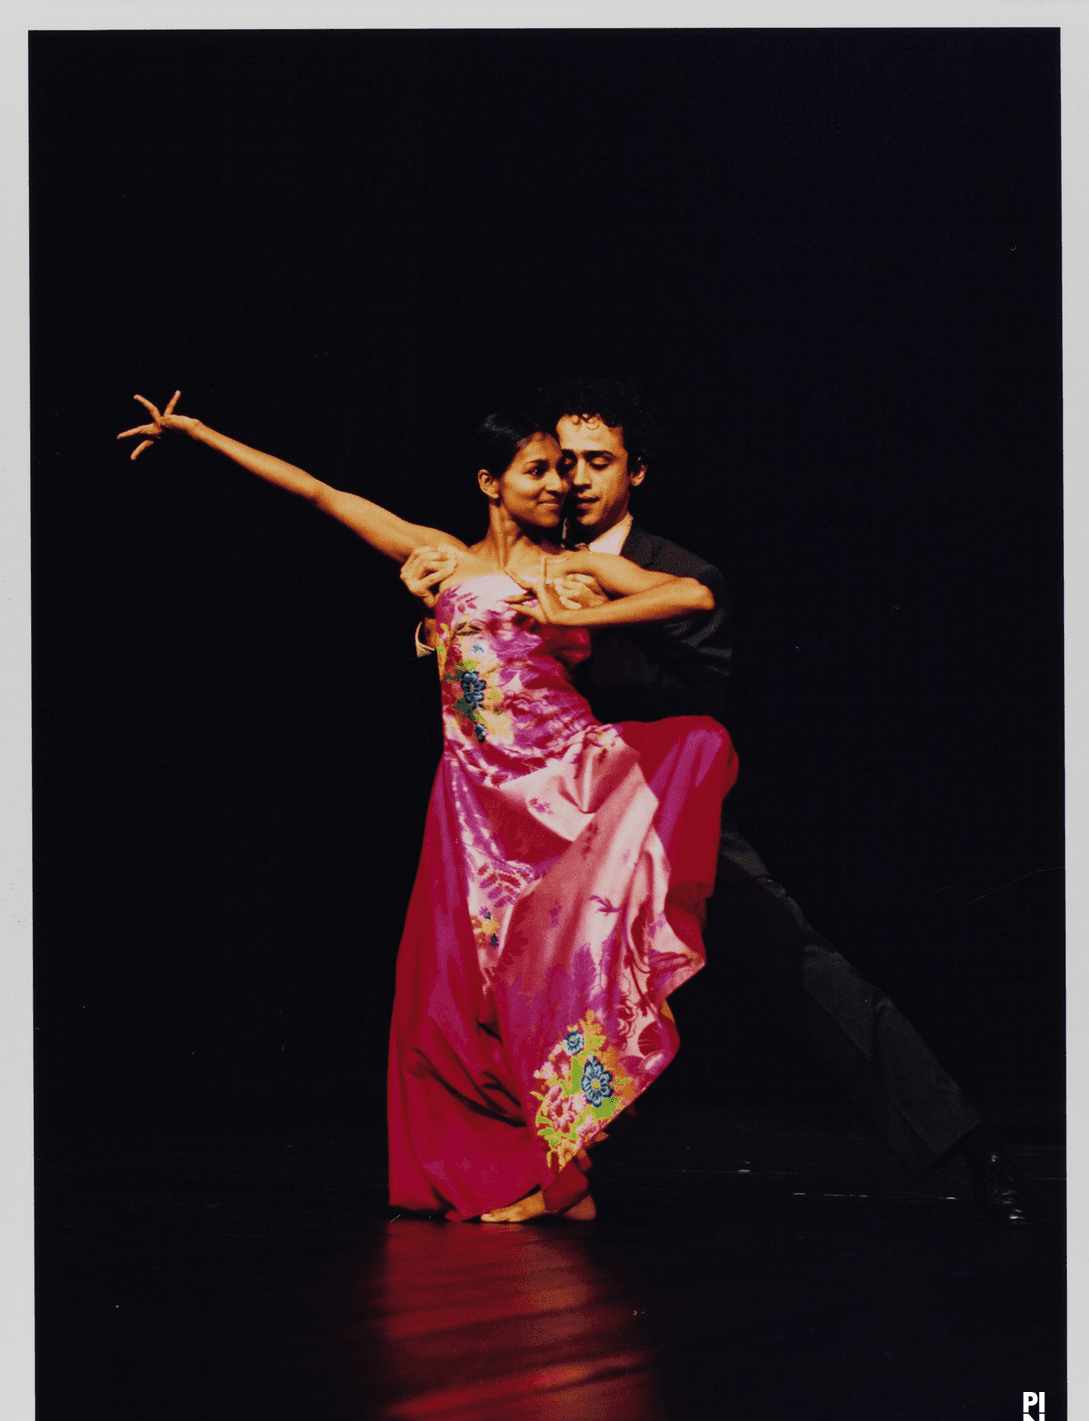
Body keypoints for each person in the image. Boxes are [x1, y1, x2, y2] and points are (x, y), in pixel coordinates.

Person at [402, 377, 1033, 1224]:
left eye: (599, 463)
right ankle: (539, 1175)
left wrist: (581, 623)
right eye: (563, 462)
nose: (575, 481)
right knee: (502, 981)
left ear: (636, 473)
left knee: (804, 967)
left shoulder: (668, 569)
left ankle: (972, 1150)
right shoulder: (507, 562)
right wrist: (450, 604)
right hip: (551, 824)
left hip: (656, 810)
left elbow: (701, 690)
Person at [117, 393, 737, 1223]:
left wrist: (568, 608)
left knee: (561, 975)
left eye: (564, 470)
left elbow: (691, 598)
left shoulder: (572, 568)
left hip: (562, 783)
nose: (558, 485)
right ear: (491, 481)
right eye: (539, 470)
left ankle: (565, 1170)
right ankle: (517, 1169)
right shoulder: (440, 558)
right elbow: (317, 493)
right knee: (457, 999)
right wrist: (200, 436)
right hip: (474, 799)